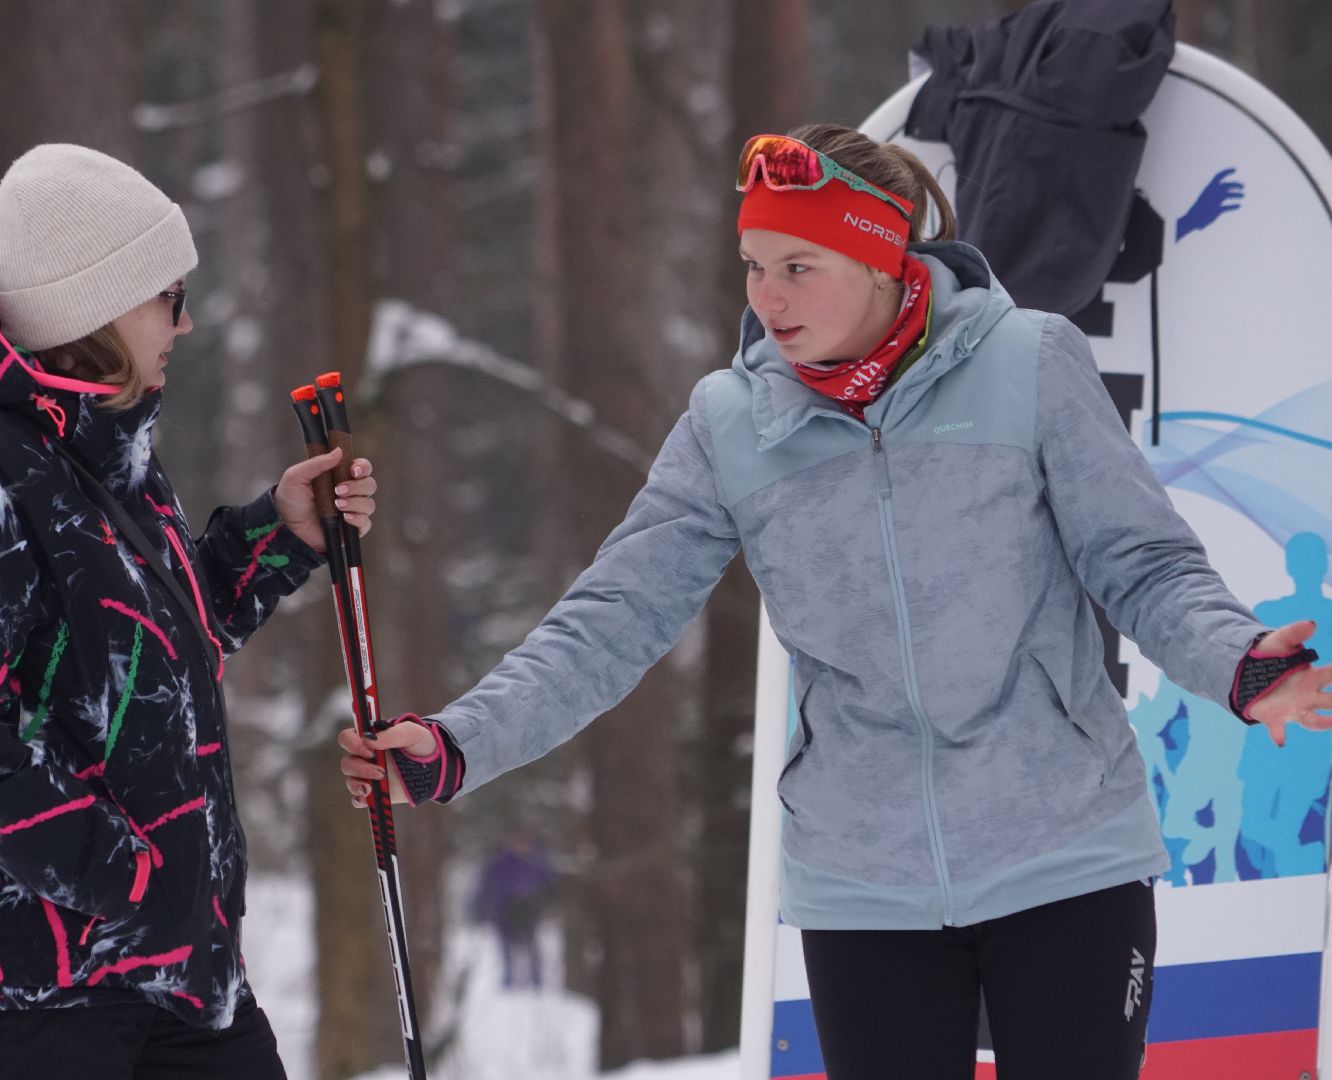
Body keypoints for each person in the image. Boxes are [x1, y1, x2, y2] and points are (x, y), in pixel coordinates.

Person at [340, 123, 1332, 1079]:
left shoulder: (1029, 362)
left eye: (797, 266)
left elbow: (1141, 561)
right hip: (866, 888)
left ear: (880, 257)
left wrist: (1238, 665)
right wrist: (461, 741)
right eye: (752, 265)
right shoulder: (733, 424)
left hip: (1064, 855)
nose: (766, 297)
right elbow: (614, 616)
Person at [0, 143, 377, 1080]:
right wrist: (125, 877)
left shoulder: (96, 455)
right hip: (35, 992)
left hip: (177, 975)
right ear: (95, 306)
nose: (183, 326)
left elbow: (143, 662)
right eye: (168, 298)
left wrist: (281, 532)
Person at [471, 831, 556, 989]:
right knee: (505, 947)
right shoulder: (500, 862)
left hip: (529, 912)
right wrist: (481, 908)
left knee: (532, 945)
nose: (522, 846)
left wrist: (543, 903)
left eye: (525, 843)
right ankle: (508, 978)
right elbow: (487, 886)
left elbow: (549, 885)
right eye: (518, 842)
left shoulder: (537, 862)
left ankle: (536, 979)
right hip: (504, 912)